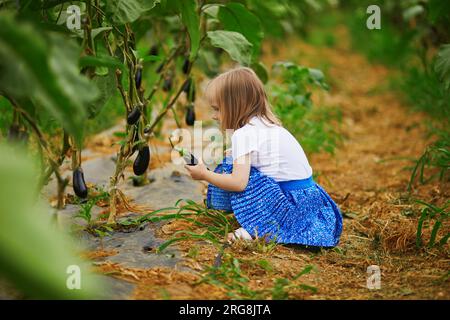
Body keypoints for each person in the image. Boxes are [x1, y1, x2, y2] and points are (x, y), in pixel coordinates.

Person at [184, 67, 342, 247]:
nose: (214, 116)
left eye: (217, 109)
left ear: (234, 106)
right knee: (235, 162)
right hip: (309, 201)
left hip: (289, 206)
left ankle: (257, 228)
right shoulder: (267, 124)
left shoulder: (243, 134)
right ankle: (262, 224)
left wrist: (204, 174)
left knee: (233, 171)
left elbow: (238, 183)